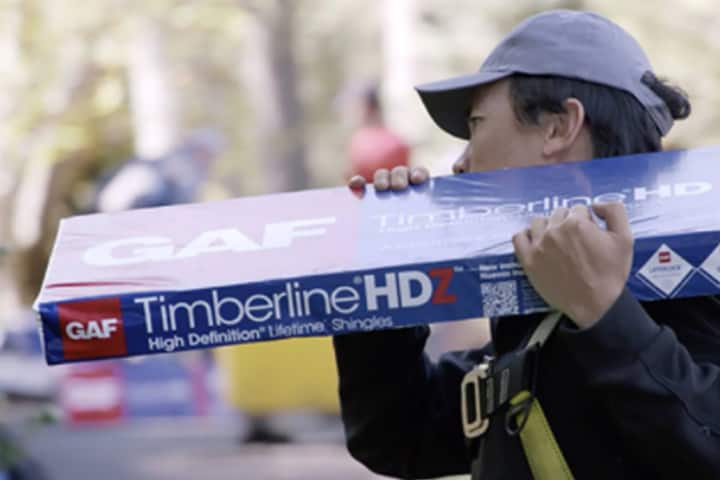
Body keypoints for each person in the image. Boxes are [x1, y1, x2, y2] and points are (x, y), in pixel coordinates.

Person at [333, 10, 720, 479]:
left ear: (559, 128)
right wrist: (383, 274)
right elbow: (398, 439)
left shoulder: (693, 278)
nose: (460, 163)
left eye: (476, 124)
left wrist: (608, 316)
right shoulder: (535, 311)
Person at [345, 83, 410, 182]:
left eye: (354, 107)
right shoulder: (398, 139)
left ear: (368, 108)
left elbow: (352, 176)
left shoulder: (361, 141)